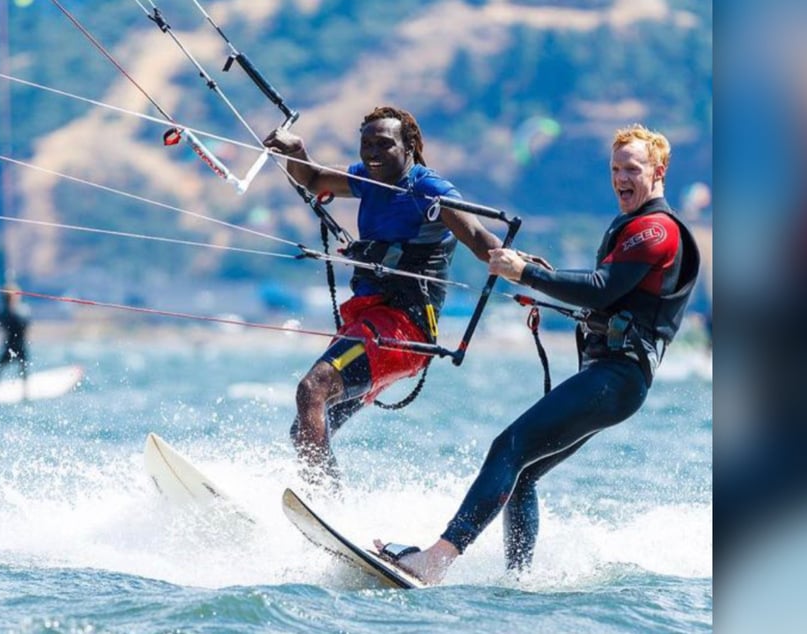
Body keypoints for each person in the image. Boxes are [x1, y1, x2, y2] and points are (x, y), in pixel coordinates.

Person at [373, 123, 701, 584]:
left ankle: (436, 560)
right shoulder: (634, 227)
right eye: (614, 169)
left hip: (617, 378)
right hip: (614, 378)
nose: (621, 178)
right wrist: (539, 284)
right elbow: (610, 297)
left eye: (632, 169)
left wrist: (524, 272)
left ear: (658, 172)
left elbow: (602, 289)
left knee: (508, 447)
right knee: (523, 472)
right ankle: (520, 580)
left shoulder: (655, 230)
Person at [263, 106, 502, 485]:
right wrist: (296, 150)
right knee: (305, 428)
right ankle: (327, 510)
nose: (372, 153)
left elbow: (477, 238)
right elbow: (313, 179)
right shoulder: (367, 179)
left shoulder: (428, 189)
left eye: (384, 144)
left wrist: (522, 266)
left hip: (403, 331)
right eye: (366, 144)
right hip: (367, 323)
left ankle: (326, 504)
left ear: (409, 146)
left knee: (312, 390)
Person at [0, 283, 31, 399]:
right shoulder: (4, 313)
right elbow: (1, 322)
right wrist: (10, 308)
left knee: (23, 368)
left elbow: (25, 324)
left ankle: (25, 393)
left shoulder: (22, 311)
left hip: (20, 344)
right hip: (9, 345)